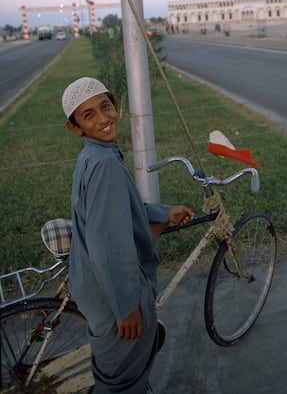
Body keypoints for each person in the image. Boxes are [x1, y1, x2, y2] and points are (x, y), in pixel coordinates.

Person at [62, 77, 194, 393]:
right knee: (122, 383)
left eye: (105, 106)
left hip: (95, 288)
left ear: (116, 105)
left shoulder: (93, 156)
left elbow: (118, 210)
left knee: (115, 374)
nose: (103, 119)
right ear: (75, 127)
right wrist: (126, 306)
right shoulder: (104, 164)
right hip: (114, 297)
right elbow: (108, 243)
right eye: (88, 114)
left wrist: (162, 212)